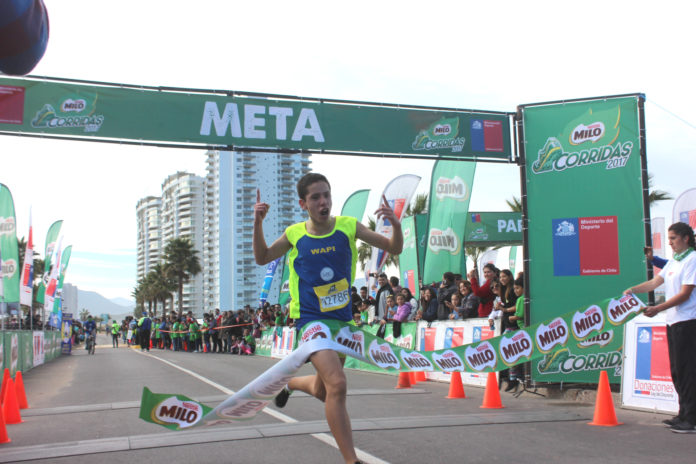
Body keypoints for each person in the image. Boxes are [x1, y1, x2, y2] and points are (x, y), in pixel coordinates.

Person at [253, 172, 402, 464]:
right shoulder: (295, 233)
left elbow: (393, 248)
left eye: (327, 195)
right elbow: (263, 257)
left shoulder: (348, 226)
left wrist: (395, 225)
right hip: (310, 322)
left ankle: (291, 385)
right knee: (338, 384)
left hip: (342, 322)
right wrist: (257, 224)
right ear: (303, 203)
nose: (324, 202)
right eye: (315, 197)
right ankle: (352, 460)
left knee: (325, 390)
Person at [625, 222, 696, 434]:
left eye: (673, 238)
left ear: (685, 238)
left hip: (688, 321)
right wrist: (633, 290)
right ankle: (683, 414)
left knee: (688, 370)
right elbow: (656, 282)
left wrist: (658, 307)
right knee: (676, 370)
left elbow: (685, 294)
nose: (670, 243)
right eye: (669, 238)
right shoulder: (675, 260)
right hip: (672, 321)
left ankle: (691, 419)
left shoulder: (692, 259)